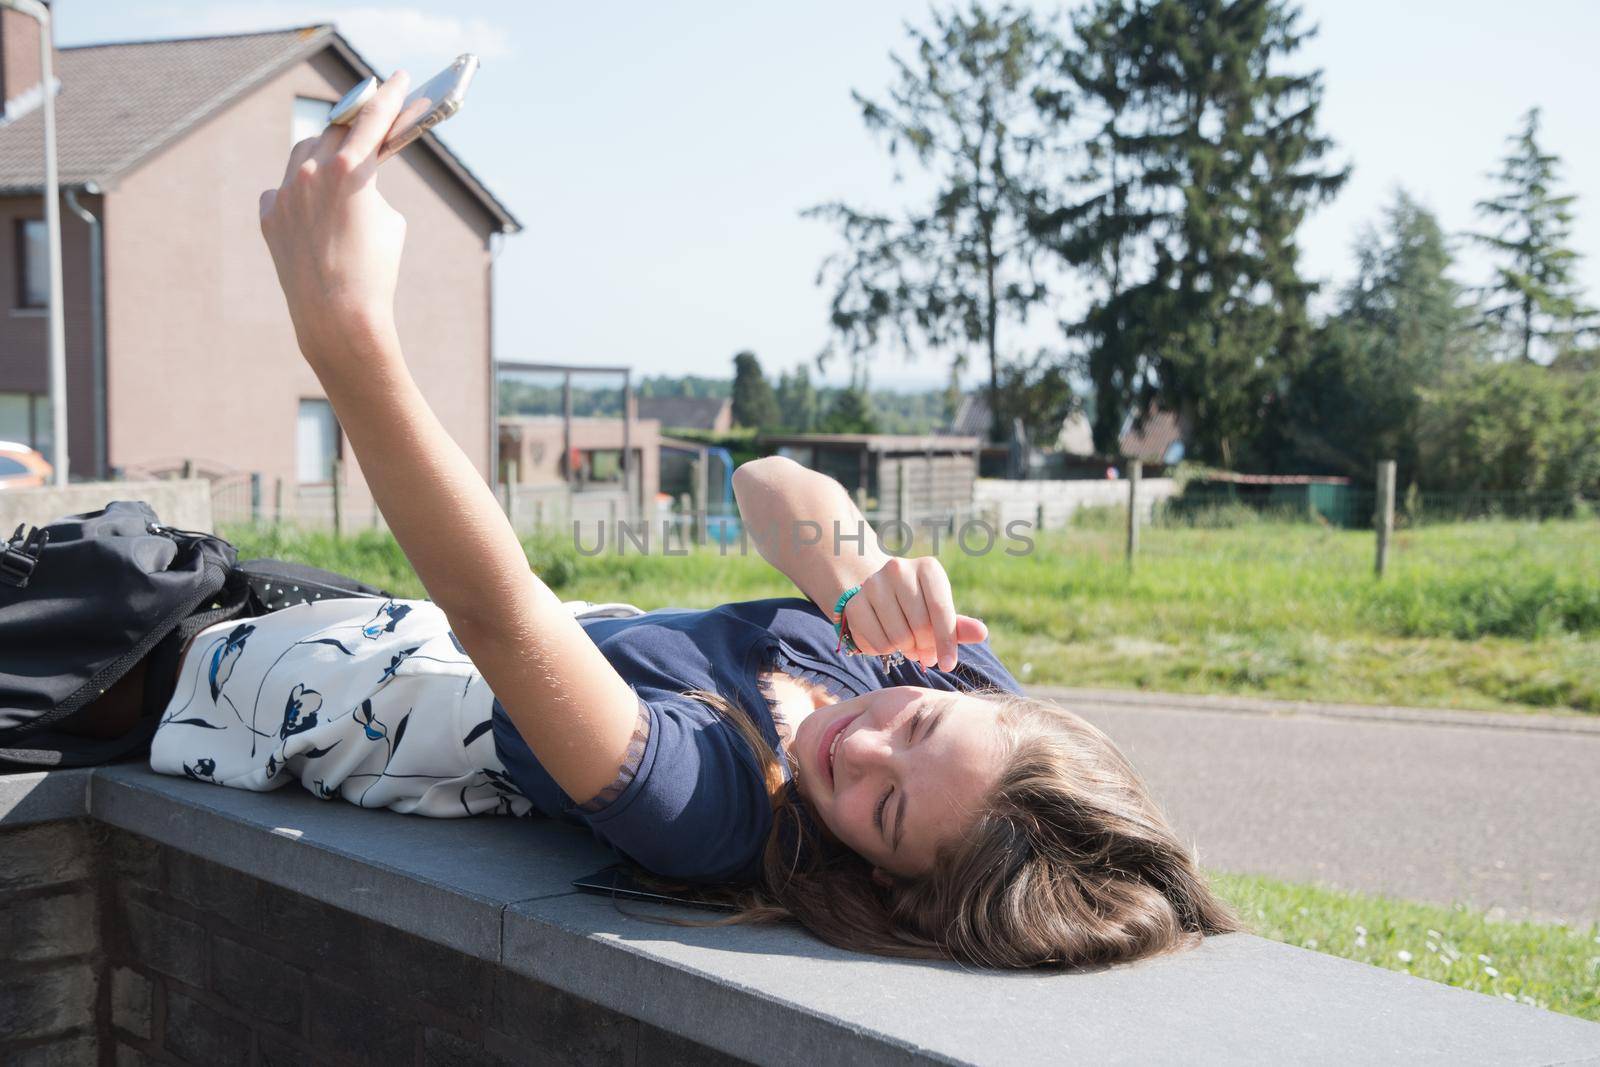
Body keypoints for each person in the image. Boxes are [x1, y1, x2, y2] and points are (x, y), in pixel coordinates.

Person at [216, 71, 1241, 968]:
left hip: (316, 691)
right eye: (920, 721)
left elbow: (498, 611)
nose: (867, 746)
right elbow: (766, 481)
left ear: (885, 884)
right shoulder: (968, 718)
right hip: (380, 628)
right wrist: (857, 569)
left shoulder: (711, 808)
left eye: (883, 814)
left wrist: (344, 332)